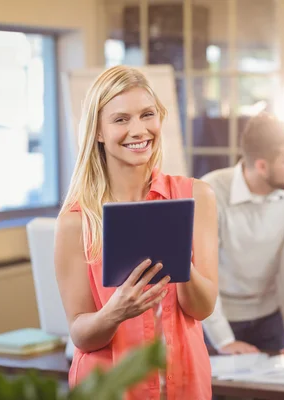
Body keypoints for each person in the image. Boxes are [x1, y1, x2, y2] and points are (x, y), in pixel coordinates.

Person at [54, 65, 218, 400]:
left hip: (184, 384)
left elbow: (203, 309)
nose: (139, 129)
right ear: (98, 132)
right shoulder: (76, 221)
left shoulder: (195, 196)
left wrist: (178, 260)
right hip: (108, 388)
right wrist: (115, 312)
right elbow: (81, 334)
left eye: (147, 115)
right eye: (120, 119)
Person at [201, 112, 284, 356]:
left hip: (268, 317)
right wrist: (224, 341)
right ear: (261, 166)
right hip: (216, 319)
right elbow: (198, 275)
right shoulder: (210, 191)